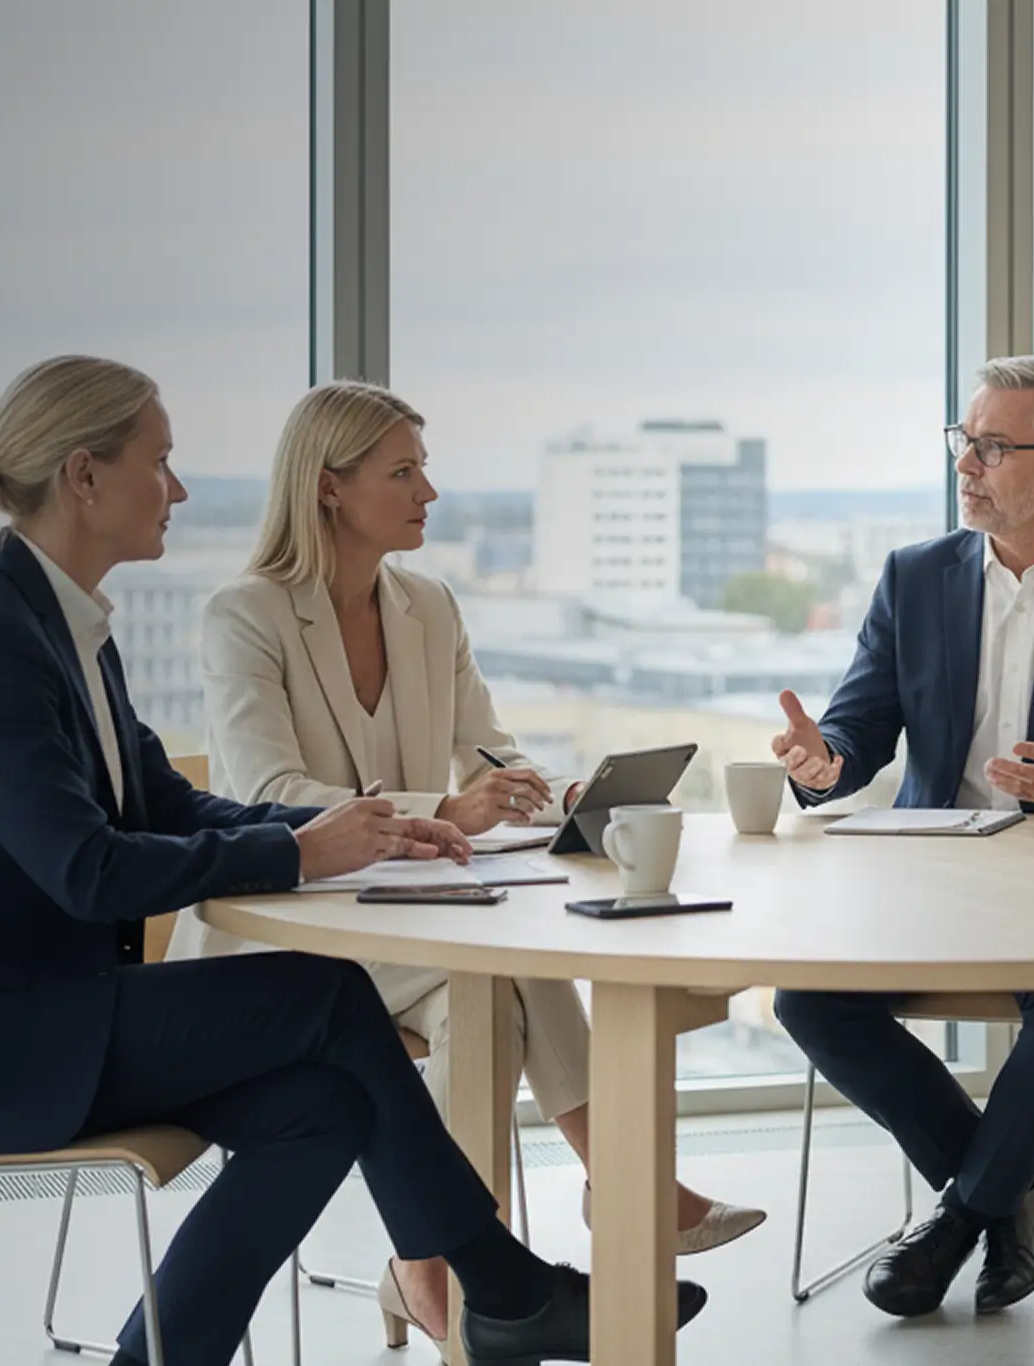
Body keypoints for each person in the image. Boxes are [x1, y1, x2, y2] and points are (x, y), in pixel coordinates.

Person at [0, 356, 706, 1366]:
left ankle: (218, 1346)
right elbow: (85, 870)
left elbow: (169, 802)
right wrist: (296, 845)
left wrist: (319, 842)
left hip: (59, 1017)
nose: (179, 489)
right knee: (320, 1000)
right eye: (162, 462)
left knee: (328, 1104)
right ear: (85, 477)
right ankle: (504, 1285)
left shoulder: (66, 630)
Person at [175, 380, 762, 1342]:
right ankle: (585, 1198)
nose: (429, 494)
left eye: (424, 469)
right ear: (328, 488)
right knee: (496, 974)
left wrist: (554, 791)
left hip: (404, 931)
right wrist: (442, 812)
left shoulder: (428, 605)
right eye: (403, 471)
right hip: (289, 942)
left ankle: (436, 1266)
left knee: (488, 992)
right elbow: (264, 793)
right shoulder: (246, 616)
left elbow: (491, 747)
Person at [770, 356, 1034, 1319]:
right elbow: (859, 730)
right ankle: (1005, 1200)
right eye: (965, 440)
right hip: (927, 871)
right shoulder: (914, 576)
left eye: (995, 446)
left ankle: (965, 1219)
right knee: (809, 1002)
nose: (968, 463)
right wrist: (822, 764)